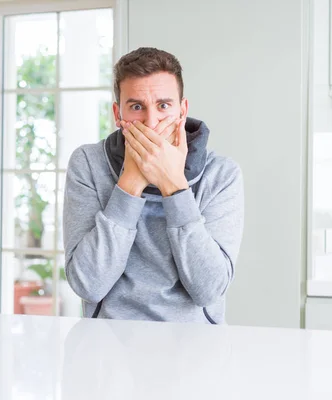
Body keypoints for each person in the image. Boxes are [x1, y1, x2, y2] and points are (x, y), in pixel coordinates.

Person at [63, 47, 244, 324]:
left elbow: (209, 290)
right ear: (117, 112)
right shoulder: (88, 163)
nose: (151, 122)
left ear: (182, 110)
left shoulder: (221, 174)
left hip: (195, 349)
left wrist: (174, 185)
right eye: (136, 107)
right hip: (107, 347)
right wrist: (131, 182)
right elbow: (88, 285)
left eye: (163, 106)